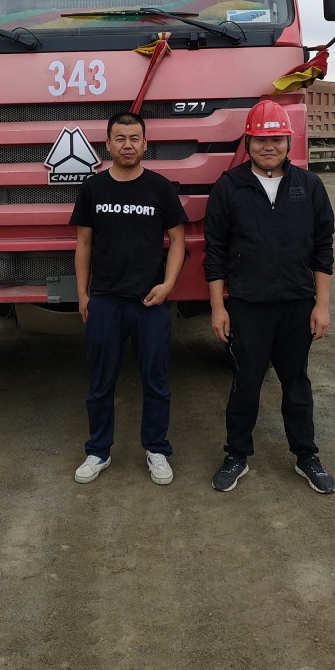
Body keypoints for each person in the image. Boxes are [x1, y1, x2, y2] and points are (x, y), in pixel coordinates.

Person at [203, 98, 335, 494]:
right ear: (247, 142)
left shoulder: (309, 186)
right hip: (248, 306)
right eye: (261, 139)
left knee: (296, 384)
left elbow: (323, 248)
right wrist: (218, 307)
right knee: (246, 382)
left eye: (277, 139)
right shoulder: (229, 187)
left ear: (288, 141)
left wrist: (322, 304)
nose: (269, 147)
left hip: (297, 304)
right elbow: (215, 252)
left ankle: (306, 455)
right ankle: (236, 455)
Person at [70, 111, 187, 485]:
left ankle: (156, 449)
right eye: (120, 138)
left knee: (156, 380)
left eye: (134, 138)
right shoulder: (93, 188)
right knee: (100, 381)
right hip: (105, 300)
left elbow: (179, 240)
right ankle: (98, 451)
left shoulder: (160, 188)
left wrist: (168, 285)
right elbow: (83, 243)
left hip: (150, 302)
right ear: (107, 144)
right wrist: (82, 294)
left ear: (145, 144)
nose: (127, 145)